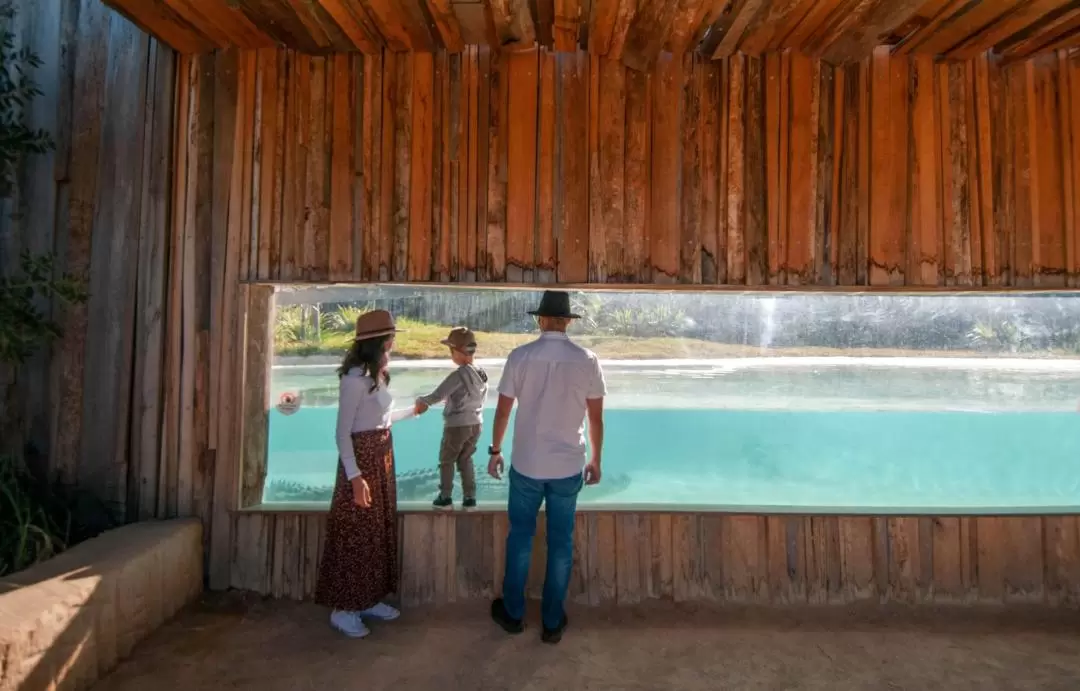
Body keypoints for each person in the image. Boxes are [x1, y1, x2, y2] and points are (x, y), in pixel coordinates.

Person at [486, 290, 606, 644]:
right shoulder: (588, 359)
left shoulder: (520, 356)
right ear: (567, 321)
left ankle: (513, 614)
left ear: (540, 320)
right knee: (560, 543)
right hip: (568, 466)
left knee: (520, 537)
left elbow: (504, 409)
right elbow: (595, 418)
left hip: (526, 464)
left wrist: (495, 450)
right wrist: (596, 459)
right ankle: (552, 622)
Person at [315, 309, 425, 639]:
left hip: (380, 457)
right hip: (362, 463)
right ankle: (343, 608)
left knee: (376, 531)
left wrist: (413, 411)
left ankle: (366, 598)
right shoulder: (353, 380)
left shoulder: (373, 376)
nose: (393, 342)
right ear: (377, 342)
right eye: (390, 338)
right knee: (356, 533)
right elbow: (342, 432)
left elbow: (381, 421)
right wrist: (355, 477)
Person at [415, 327, 489, 511]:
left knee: (447, 460)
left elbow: (438, 394)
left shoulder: (459, 375)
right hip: (476, 423)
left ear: (457, 351)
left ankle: (445, 497)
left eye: (450, 351)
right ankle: (470, 498)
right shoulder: (481, 372)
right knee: (466, 459)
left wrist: (422, 402)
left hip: (457, 426)